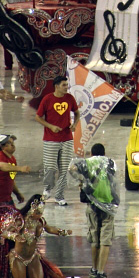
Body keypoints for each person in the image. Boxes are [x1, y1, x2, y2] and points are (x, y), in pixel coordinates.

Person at [69, 143, 119, 278]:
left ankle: (94, 269)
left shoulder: (87, 163)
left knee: (94, 238)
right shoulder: (111, 163)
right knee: (105, 240)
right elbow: (113, 181)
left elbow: (71, 168)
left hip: (92, 204)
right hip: (108, 204)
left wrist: (82, 181)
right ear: (104, 152)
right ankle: (101, 272)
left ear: (91, 153)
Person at [1, 194, 72, 278]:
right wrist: (14, 236)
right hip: (18, 258)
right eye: (37, 213)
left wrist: (63, 232)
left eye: (41, 213)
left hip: (33, 257)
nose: (39, 215)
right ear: (32, 209)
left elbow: (50, 229)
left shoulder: (40, 222)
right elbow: (4, 233)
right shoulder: (20, 221)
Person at [35, 75, 80, 205]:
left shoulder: (70, 98)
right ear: (56, 86)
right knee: (50, 167)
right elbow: (38, 117)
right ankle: (47, 188)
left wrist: (75, 124)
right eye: (64, 85)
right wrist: (50, 126)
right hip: (50, 139)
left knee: (64, 169)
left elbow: (77, 113)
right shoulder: (47, 99)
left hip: (67, 139)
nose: (66, 87)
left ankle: (59, 196)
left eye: (67, 85)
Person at [0, 135, 31, 206]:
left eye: (13, 142)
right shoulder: (0, 156)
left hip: (7, 199)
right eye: (9, 143)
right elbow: (2, 165)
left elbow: (11, 179)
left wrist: (17, 193)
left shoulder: (12, 159)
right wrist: (19, 168)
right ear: (2, 147)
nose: (13, 145)